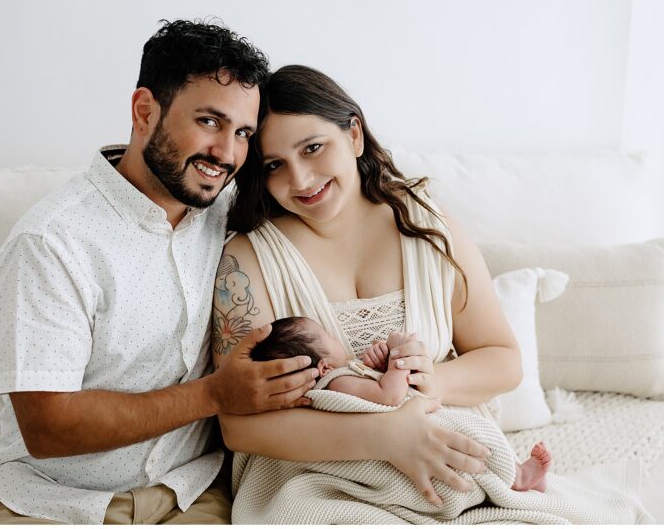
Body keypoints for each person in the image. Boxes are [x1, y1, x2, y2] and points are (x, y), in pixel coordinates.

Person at [0, 20, 321, 525]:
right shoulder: (50, 243)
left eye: (242, 132)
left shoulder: (227, 211)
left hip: (189, 493)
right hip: (49, 503)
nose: (227, 153)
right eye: (209, 122)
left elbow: (331, 204)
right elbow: (48, 428)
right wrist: (215, 394)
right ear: (144, 111)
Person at [211, 64, 524, 510]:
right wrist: (385, 435)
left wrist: (430, 381)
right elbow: (239, 424)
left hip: (445, 466)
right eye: (275, 165)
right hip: (315, 483)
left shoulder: (428, 229)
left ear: (354, 135)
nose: (300, 180)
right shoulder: (247, 260)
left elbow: (504, 360)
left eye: (313, 148)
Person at [251, 316, 552, 492]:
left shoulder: (343, 378)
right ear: (324, 368)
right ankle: (519, 476)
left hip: (406, 429)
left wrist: (378, 367)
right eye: (327, 336)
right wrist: (398, 357)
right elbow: (389, 397)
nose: (335, 336)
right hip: (407, 432)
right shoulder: (337, 382)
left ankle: (515, 475)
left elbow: (373, 393)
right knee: (474, 433)